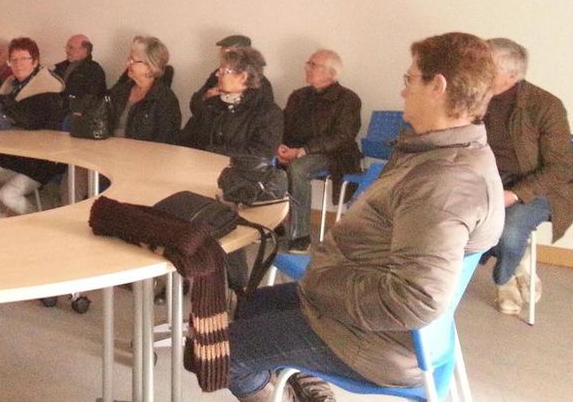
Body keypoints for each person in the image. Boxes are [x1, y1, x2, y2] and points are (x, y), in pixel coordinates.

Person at [227, 32, 504, 402]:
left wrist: (319, 283)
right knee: (250, 307)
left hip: (374, 342)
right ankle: (307, 387)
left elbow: (415, 299)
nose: (404, 90)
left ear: (438, 86)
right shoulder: (443, 152)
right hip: (363, 318)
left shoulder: (445, 182)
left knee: (222, 353)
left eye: (410, 79)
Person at [483, 37, 573, 317]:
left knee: (509, 231)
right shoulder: (475, 97)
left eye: (486, 67)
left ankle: (503, 279)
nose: (476, 71)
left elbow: (560, 168)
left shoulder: (546, 105)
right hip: (491, 179)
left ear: (511, 75)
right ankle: (520, 261)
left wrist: (512, 195)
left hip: (540, 187)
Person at [180, 45, 282, 292]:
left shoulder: (268, 112)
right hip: (198, 176)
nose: (218, 74)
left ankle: (237, 290)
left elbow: (260, 155)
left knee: (219, 220)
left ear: (244, 77)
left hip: (238, 186)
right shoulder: (213, 105)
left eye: (225, 69)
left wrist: (212, 154)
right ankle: (182, 273)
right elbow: (189, 138)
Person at [274, 49, 362, 253]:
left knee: (298, 168)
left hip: (335, 155)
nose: (307, 68)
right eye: (308, 63)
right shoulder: (298, 96)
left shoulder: (348, 99)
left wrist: (303, 151)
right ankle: (274, 225)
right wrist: (281, 147)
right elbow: (284, 126)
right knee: (267, 161)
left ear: (331, 73)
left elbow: (342, 136)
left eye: (313, 65)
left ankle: (300, 236)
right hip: (298, 151)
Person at [0, 37, 66, 218]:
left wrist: (5, 110)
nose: (18, 64)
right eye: (14, 60)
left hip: (39, 160)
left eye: (23, 59)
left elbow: (31, 121)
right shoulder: (9, 85)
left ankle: (37, 221)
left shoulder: (49, 88)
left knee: (7, 194)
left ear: (35, 62)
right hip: (13, 155)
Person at [107, 35, 181, 144]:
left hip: (143, 158)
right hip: (109, 152)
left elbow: (165, 143)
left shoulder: (165, 99)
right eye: (129, 59)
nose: (128, 64)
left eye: (133, 61)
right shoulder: (120, 90)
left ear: (150, 67)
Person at [190, 34, 275, 114]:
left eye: (228, 53)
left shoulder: (261, 83)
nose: (222, 56)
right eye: (222, 52)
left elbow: (263, 113)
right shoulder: (216, 75)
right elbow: (194, 107)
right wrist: (206, 97)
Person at [52, 33, 107, 113]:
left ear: (84, 50)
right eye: (67, 47)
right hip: (55, 111)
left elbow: (90, 100)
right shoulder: (61, 67)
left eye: (71, 48)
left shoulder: (94, 71)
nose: (67, 51)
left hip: (75, 117)